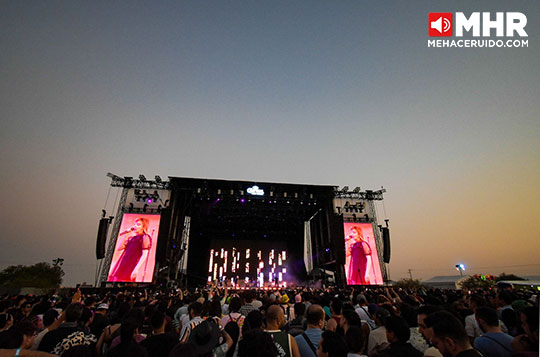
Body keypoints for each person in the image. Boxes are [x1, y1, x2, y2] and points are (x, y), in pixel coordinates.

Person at [108, 218, 152, 282]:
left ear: (143, 227)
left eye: (138, 224)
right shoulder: (132, 238)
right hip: (124, 262)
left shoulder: (145, 237)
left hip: (132, 264)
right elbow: (120, 248)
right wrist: (126, 234)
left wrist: (136, 269)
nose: (135, 226)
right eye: (135, 224)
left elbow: (144, 254)